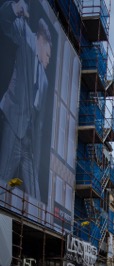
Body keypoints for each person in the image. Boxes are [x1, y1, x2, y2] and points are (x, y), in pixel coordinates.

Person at [0, 1, 52, 200]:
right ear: (40, 40)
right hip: (13, 126)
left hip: (29, 144)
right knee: (3, 180)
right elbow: (4, 21)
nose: (48, 61)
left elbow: (39, 122)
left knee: (36, 198)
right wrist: (15, 9)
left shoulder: (46, 81)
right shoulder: (25, 35)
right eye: (47, 54)